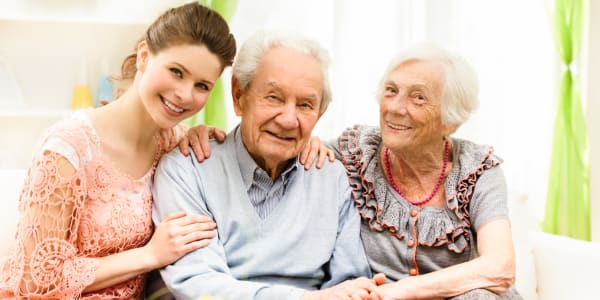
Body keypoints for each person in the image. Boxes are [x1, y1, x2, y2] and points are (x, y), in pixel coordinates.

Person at [0, 3, 236, 299]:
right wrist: (150, 255)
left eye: (202, 85)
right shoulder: (67, 150)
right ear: (144, 56)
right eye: (176, 72)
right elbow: (34, 281)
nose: (185, 95)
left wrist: (311, 149)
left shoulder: (175, 143)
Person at [152, 31, 381, 300]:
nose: (287, 119)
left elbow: (350, 282)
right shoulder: (187, 169)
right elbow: (198, 282)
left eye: (305, 105)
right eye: (273, 97)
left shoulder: (332, 178)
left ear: (320, 114)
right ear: (239, 96)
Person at [326, 44, 521, 299]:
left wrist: (402, 290)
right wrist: (307, 144)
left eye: (418, 97)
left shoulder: (477, 169)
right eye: (391, 90)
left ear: (450, 120)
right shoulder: (356, 150)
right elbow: (290, 144)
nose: (395, 107)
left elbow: (500, 267)